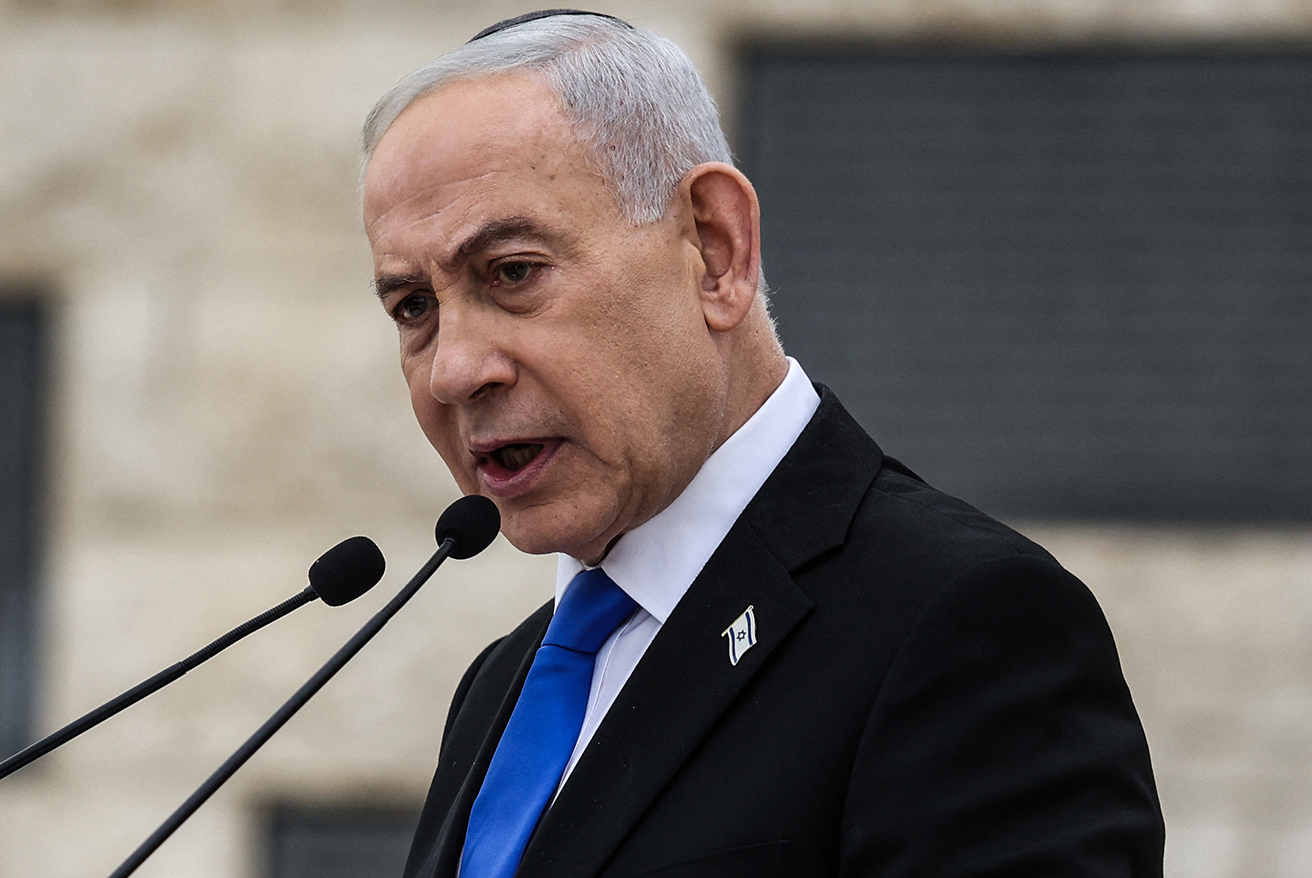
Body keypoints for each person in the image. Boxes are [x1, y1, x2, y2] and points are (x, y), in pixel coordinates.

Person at [360, 10, 1164, 878]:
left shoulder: (962, 623)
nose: (454, 370)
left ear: (714, 249)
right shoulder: (502, 688)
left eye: (512, 272)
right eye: (414, 308)